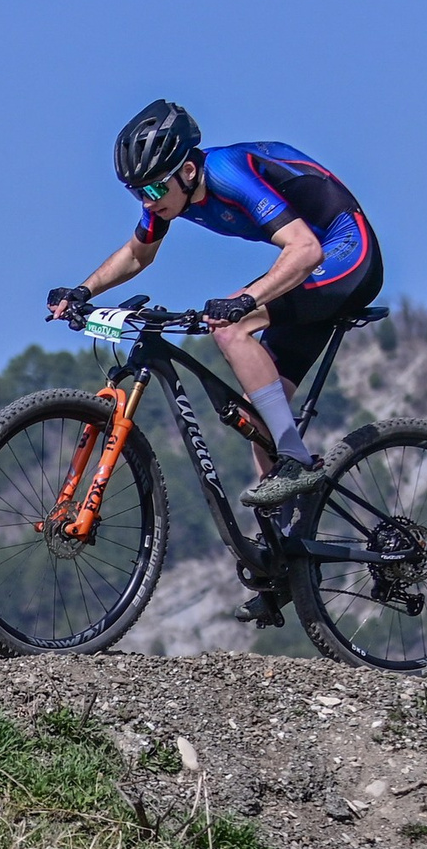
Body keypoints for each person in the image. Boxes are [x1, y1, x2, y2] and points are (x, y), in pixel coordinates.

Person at [46, 101, 383, 618]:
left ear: (185, 169)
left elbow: (306, 249)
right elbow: (138, 254)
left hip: (345, 253)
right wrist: (82, 289)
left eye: (155, 189)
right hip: (312, 266)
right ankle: (285, 562)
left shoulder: (226, 173)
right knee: (258, 417)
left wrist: (246, 302)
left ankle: (296, 461)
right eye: (137, 192)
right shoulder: (170, 195)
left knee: (232, 326)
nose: (147, 201)